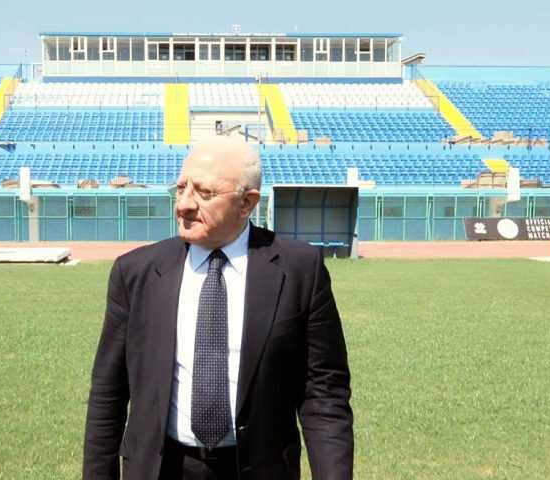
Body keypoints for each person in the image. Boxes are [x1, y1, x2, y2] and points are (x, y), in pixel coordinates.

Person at [83, 137, 353, 480]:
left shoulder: (301, 269)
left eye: (204, 193)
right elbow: (108, 393)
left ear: (247, 203)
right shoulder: (134, 272)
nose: (184, 204)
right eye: (181, 188)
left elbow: (324, 393)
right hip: (161, 468)